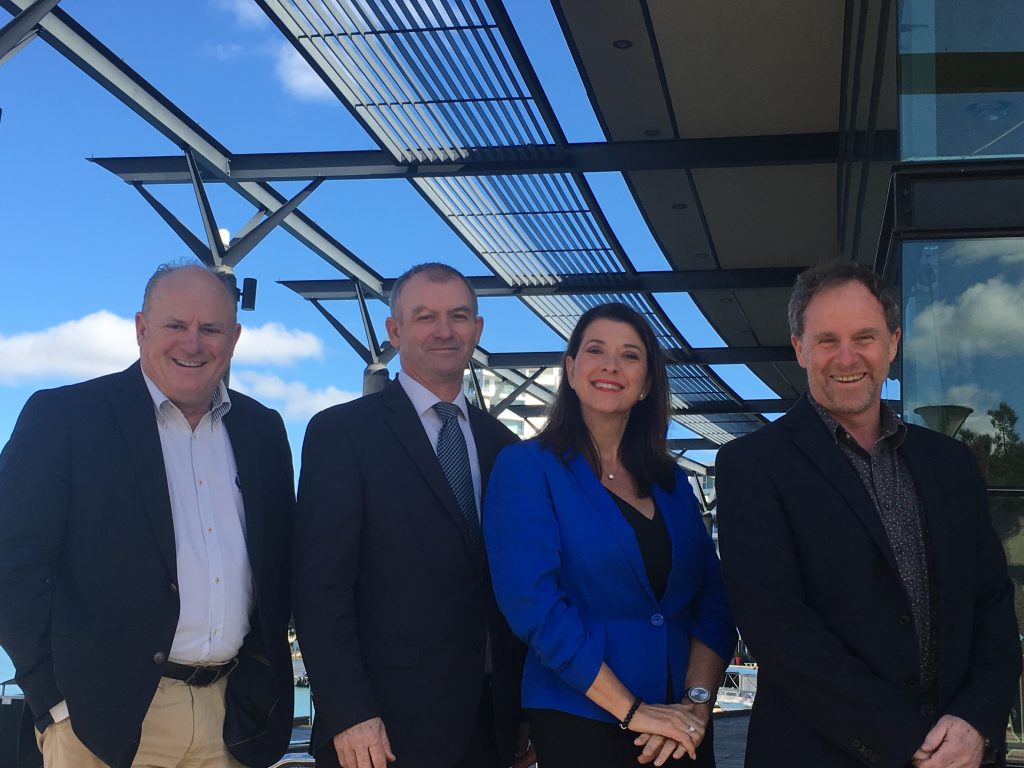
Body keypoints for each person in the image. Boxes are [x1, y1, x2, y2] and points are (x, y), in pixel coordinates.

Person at [716, 262, 1022, 768]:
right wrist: (908, 741)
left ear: (893, 343)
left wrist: (976, 722)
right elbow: (777, 629)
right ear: (799, 349)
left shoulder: (951, 464)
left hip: (961, 754)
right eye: (827, 339)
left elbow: (991, 604)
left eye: (865, 336)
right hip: (821, 754)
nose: (847, 356)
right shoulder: (752, 466)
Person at [0, 263, 296, 768]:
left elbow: (280, 567)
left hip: (230, 723)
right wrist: (55, 701)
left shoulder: (263, 431)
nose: (193, 344)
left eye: (211, 329)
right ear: (141, 329)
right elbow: (12, 564)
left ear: (235, 338)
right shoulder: (66, 418)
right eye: (175, 326)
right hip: (103, 724)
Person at [293, 263, 530, 768]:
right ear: (395, 332)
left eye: (459, 316)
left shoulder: (505, 447)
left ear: (478, 330)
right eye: (425, 317)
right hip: (381, 733)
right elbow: (319, 588)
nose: (444, 331)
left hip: (491, 728)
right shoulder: (343, 435)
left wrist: (524, 712)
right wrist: (348, 712)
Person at [484, 302, 736, 768]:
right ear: (571, 369)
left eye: (630, 355)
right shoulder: (526, 468)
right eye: (595, 350)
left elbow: (713, 597)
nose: (610, 365)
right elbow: (534, 606)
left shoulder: (674, 484)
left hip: (680, 726)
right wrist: (634, 711)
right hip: (581, 719)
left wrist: (696, 702)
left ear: (646, 384)